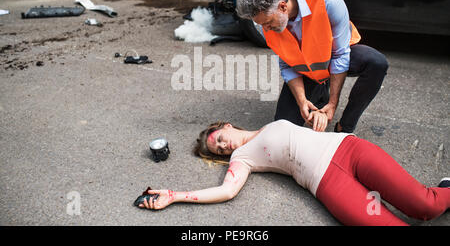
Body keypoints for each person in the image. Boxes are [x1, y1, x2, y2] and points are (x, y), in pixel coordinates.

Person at [136, 118, 450, 226]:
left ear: (225, 126)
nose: (224, 145)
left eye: (219, 138)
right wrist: (173, 196)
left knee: (426, 206)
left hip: (349, 150)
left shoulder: (272, 122)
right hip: (328, 184)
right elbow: (226, 191)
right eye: (219, 150)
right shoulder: (242, 159)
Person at [235, 0, 389, 133]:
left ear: (283, 7)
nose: (265, 29)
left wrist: (333, 103)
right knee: (282, 128)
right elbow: (286, 64)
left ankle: (345, 127)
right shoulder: (265, 21)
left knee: (376, 63)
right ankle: (319, 93)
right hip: (308, 70)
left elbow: (340, 55)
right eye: (261, 25)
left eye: (267, 23)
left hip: (335, 56)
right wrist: (302, 101)